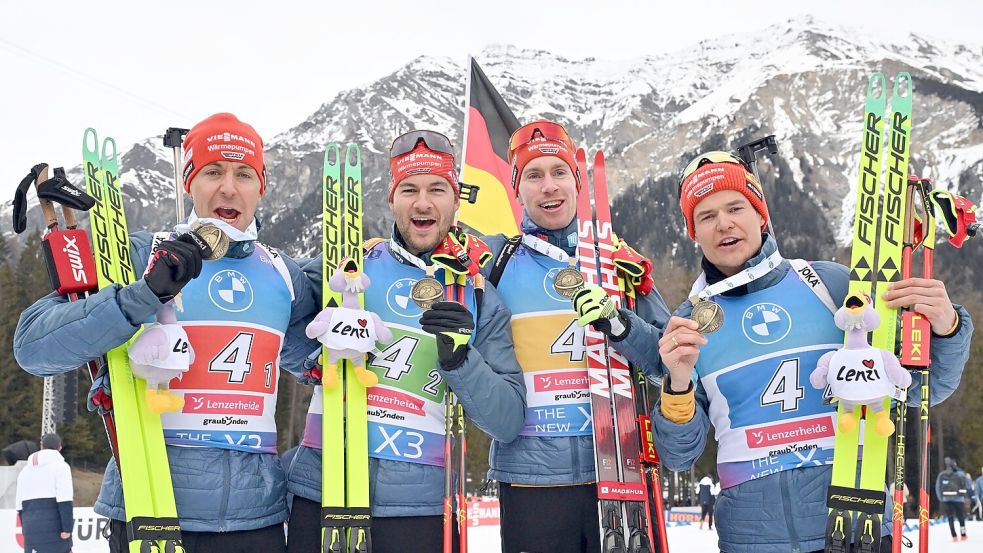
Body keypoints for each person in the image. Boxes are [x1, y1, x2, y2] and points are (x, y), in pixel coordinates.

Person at [574, 151, 973, 552]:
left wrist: (947, 326)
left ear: (761, 215)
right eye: (706, 216)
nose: (724, 223)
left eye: (735, 207)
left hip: (856, 526)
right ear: (693, 232)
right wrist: (677, 384)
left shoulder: (830, 285)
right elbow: (679, 456)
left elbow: (923, 388)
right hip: (752, 539)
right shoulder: (691, 321)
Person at [14, 113, 321, 553]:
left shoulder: (283, 273)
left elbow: (316, 359)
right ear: (188, 182)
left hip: (258, 520)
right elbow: (34, 348)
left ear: (261, 187)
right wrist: (140, 296)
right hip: (149, 507)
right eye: (213, 172)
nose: (228, 188)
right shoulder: (140, 254)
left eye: (244, 174)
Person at [284, 130, 526, 553]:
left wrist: (461, 362)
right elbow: (281, 344)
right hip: (324, 489)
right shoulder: (349, 266)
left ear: (455, 201)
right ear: (392, 200)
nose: (423, 203)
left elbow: (507, 421)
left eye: (437, 189)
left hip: (419, 506)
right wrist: (316, 350)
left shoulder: (478, 294)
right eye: (409, 189)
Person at [481, 119, 670, 553]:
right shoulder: (497, 261)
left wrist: (622, 324)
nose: (548, 187)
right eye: (534, 175)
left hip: (620, 471)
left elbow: (668, 363)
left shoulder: (621, 261)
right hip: (532, 480)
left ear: (577, 181)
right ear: (518, 189)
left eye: (558, 172)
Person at [15, 433, 74, 553]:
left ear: (42, 446)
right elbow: (65, 500)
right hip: (55, 530)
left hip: (30, 530)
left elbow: (19, 505)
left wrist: (26, 529)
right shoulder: (61, 467)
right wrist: (67, 528)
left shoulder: (24, 471)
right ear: (60, 448)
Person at [936, 456, 971, 541]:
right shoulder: (961, 474)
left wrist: (941, 498)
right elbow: (968, 485)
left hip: (946, 499)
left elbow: (938, 487)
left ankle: (954, 536)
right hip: (959, 499)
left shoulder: (941, 475)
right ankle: (963, 535)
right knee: (961, 517)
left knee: (950, 517)